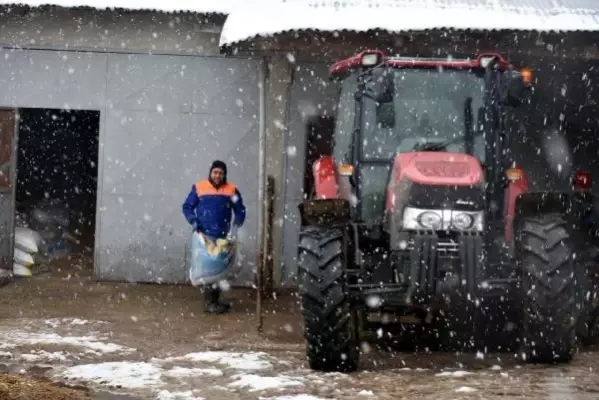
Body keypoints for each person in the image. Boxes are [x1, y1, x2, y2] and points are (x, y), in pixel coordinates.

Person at [182, 160, 246, 314]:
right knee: (208, 269)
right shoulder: (199, 188)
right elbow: (187, 206)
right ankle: (209, 302)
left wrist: (236, 225)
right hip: (204, 236)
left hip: (222, 237)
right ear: (210, 173)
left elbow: (240, 209)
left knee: (219, 269)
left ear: (225, 175)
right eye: (215, 172)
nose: (217, 176)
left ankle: (213, 301)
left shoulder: (231, 190)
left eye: (221, 173)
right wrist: (193, 221)